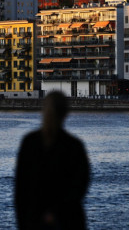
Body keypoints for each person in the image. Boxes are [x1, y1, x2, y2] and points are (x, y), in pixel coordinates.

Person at [15, 91, 91, 230]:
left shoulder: (30, 143)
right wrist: (58, 210)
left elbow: (21, 189)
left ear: (43, 110)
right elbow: (80, 186)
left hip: (34, 218)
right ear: (66, 113)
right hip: (69, 219)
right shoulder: (74, 146)